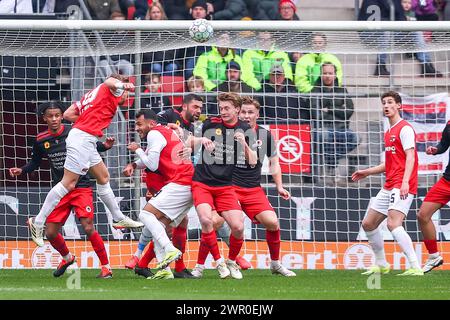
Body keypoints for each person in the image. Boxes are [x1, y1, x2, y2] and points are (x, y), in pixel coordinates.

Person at [27, 74, 143, 248]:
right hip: (81, 139)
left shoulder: (92, 95)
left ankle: (118, 218)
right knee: (69, 183)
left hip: (85, 138)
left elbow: (68, 114)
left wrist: (88, 123)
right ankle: (38, 221)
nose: (128, 97)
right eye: (126, 93)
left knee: (103, 177)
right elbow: (108, 81)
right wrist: (125, 85)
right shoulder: (111, 88)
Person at [10, 102, 115, 278]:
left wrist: (104, 146)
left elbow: (91, 147)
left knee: (88, 227)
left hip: (81, 185)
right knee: (50, 233)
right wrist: (22, 170)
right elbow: (35, 162)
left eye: (57, 115)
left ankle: (106, 267)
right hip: (61, 188)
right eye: (50, 116)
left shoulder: (73, 132)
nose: (54, 119)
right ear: (44, 118)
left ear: (61, 116)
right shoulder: (41, 139)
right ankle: (67, 258)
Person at [352, 91, 423, 276]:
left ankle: (416, 266)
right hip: (389, 185)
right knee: (368, 224)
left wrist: (405, 182)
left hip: (402, 184)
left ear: (399, 105)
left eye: (390, 102)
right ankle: (382, 264)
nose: (386, 105)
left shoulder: (404, 128)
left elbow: (410, 157)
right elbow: (389, 163)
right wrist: (367, 172)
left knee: (393, 224)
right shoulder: (389, 131)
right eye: (384, 102)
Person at [190, 92, 257, 279]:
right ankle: (219, 262)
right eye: (221, 108)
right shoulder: (210, 123)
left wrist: (243, 142)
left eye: (227, 108)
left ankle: (231, 261)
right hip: (202, 182)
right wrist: (201, 140)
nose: (223, 111)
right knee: (206, 220)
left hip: (225, 186)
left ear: (237, 109)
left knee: (238, 226)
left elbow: (252, 161)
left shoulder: (245, 129)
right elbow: (189, 143)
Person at [125, 109, 195, 280]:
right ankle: (165, 269)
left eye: (140, 124)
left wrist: (137, 150)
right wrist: (135, 164)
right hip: (189, 182)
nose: (137, 128)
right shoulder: (165, 132)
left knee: (145, 214)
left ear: (151, 123)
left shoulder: (154, 134)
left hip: (181, 181)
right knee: (159, 224)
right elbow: (153, 160)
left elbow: (153, 165)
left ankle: (169, 250)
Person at [230, 97, 296, 276]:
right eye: (243, 111)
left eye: (250, 112)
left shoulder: (265, 135)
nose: (246, 115)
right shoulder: (229, 131)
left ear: (257, 114)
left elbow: (275, 163)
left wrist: (279, 187)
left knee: (272, 222)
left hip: (253, 189)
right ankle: (226, 262)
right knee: (226, 224)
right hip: (230, 188)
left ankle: (275, 264)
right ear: (237, 112)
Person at [311, 63, 358, 179]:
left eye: (330, 73)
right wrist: (339, 111)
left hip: (342, 128)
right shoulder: (315, 91)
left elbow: (349, 111)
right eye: (325, 73)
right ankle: (332, 166)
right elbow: (315, 113)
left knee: (356, 138)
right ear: (321, 75)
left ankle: (332, 163)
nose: (327, 76)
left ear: (335, 75)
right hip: (323, 128)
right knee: (323, 135)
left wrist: (329, 109)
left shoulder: (342, 90)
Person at [415, 123, 450, 272]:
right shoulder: (449, 124)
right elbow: (444, 144)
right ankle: (434, 256)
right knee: (423, 215)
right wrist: (436, 149)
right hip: (447, 181)